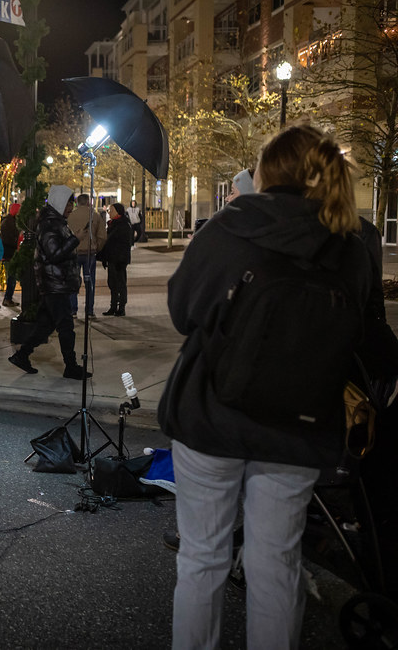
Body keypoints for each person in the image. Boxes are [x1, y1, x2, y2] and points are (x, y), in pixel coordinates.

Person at [159, 124, 372, 649]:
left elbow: (184, 311)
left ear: (268, 172)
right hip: (298, 427)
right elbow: (364, 337)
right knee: (276, 563)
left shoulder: (231, 226)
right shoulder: (352, 243)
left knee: (203, 558)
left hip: (211, 416)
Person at [7, 185, 90, 380]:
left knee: (45, 326)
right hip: (54, 284)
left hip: (55, 282)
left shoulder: (56, 222)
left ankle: (21, 355)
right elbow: (53, 255)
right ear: (60, 202)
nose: (71, 207)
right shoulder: (49, 225)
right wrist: (75, 240)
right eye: (69, 203)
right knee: (65, 326)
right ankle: (71, 366)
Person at [66, 193, 106, 319]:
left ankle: (73, 310)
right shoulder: (95, 215)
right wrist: (96, 247)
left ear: (77, 203)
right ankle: (89, 310)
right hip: (89, 253)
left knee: (73, 281)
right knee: (90, 282)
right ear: (88, 202)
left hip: (74, 253)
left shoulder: (70, 216)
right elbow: (103, 236)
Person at [99, 202, 132, 316]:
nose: (109, 212)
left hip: (119, 260)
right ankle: (113, 306)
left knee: (120, 283)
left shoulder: (123, 225)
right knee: (112, 283)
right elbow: (108, 243)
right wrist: (105, 258)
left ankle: (121, 307)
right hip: (112, 259)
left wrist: (122, 260)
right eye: (109, 210)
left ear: (118, 212)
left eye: (111, 210)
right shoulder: (113, 224)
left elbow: (125, 245)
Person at [0, 203, 21, 307]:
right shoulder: (8, 223)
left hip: (11, 253)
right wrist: (18, 240)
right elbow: (8, 239)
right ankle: (7, 298)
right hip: (9, 254)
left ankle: (8, 298)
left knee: (12, 277)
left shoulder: (11, 221)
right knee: (11, 277)